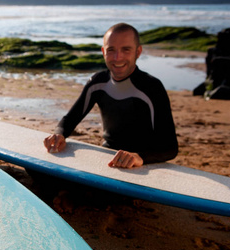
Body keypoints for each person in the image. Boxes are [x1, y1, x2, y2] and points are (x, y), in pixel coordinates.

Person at [42, 23, 178, 213]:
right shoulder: (98, 82)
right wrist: (59, 134)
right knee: (40, 167)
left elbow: (170, 148)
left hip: (142, 163)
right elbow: (70, 119)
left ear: (138, 52)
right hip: (108, 157)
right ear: (103, 51)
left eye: (126, 50)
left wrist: (139, 157)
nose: (117, 57)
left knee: (111, 191)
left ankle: (72, 197)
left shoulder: (152, 88)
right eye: (111, 50)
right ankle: (72, 194)